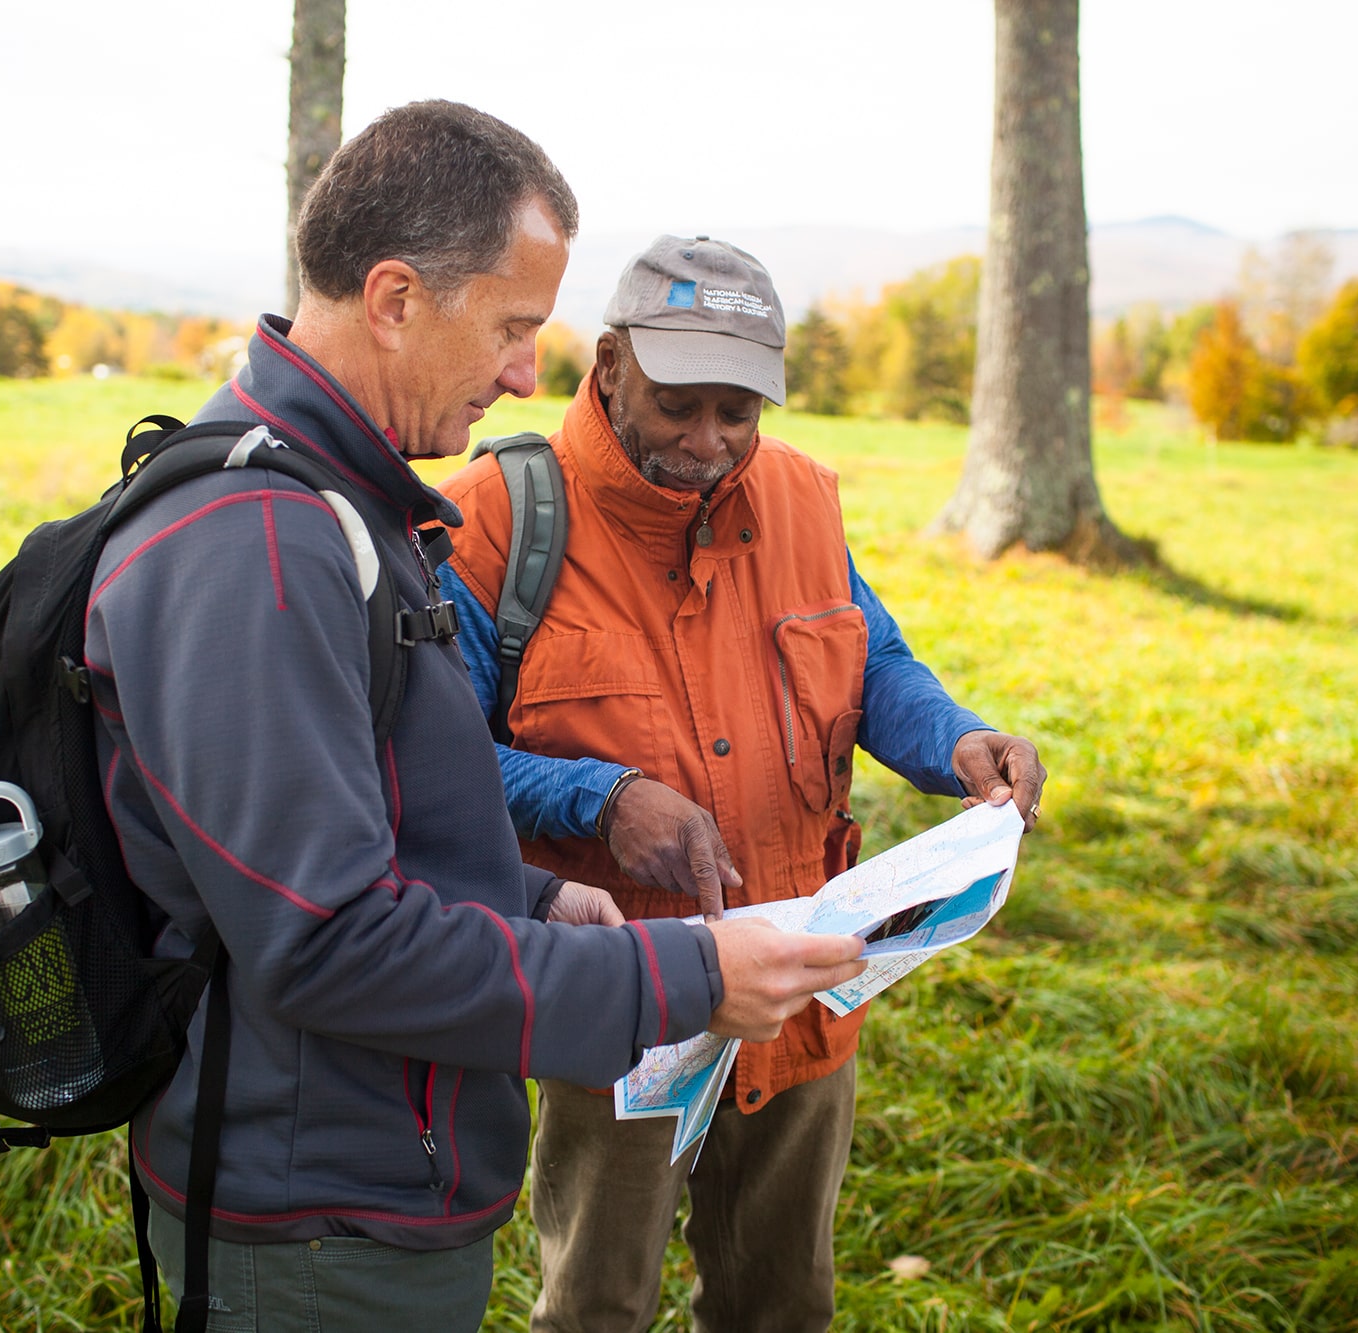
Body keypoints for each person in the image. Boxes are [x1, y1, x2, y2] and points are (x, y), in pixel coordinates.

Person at [86, 108, 864, 1332]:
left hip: (384, 1177)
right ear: (395, 297)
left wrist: (534, 896)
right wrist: (682, 970)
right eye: (510, 328)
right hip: (312, 1222)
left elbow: (363, 822)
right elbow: (331, 940)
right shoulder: (263, 547)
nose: (520, 375)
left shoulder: (350, 511)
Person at [437, 235, 1047, 1333]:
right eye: (679, 404)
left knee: (784, 1302)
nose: (707, 442)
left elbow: (871, 663)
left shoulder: (804, 501)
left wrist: (954, 740)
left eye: (738, 410)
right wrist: (603, 798)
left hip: (801, 988)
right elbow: (430, 765)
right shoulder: (492, 523)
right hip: (617, 1004)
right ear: (610, 363)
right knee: (595, 1303)